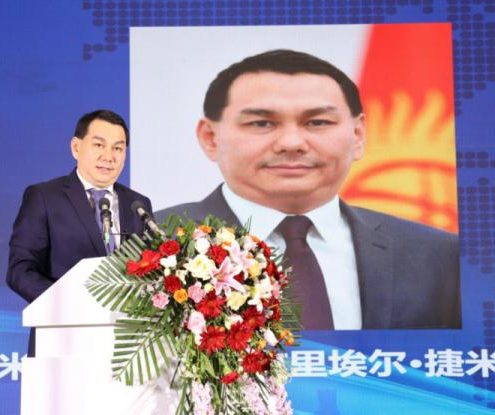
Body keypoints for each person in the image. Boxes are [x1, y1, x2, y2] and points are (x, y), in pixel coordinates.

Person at [156, 50, 460, 330]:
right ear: (210, 138)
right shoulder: (150, 243)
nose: (291, 143)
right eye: (261, 123)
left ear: (357, 136)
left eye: (317, 122)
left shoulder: (439, 257)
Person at [7, 109, 153, 354]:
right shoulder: (44, 197)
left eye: (118, 148)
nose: (109, 156)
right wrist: (69, 304)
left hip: (128, 347)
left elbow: (151, 268)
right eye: (99, 145)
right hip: (62, 338)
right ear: (76, 147)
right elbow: (20, 270)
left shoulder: (138, 204)